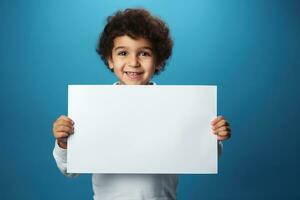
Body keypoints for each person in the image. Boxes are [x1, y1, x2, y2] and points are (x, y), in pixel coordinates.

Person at [52, 8, 231, 200]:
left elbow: (198, 156)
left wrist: (213, 138)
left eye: (144, 53)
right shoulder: (93, 109)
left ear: (159, 61)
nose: (133, 62)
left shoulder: (174, 107)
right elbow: (69, 171)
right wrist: (64, 142)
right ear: (110, 60)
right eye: (123, 53)